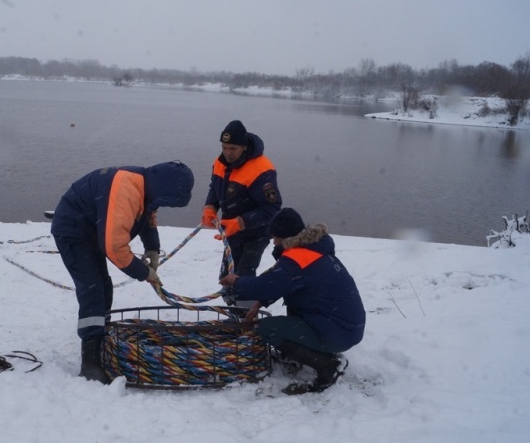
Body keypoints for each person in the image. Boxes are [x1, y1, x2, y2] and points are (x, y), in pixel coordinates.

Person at [51, 161, 194, 384]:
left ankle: (101, 339)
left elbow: (147, 217)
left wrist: (152, 248)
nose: (163, 206)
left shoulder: (146, 187)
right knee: (92, 288)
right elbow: (114, 246)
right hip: (74, 230)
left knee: (103, 285)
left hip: (93, 229)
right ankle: (90, 363)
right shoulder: (125, 190)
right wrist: (142, 272)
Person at [219, 208, 365, 395]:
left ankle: (329, 365)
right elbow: (283, 282)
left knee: (268, 328)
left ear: (283, 236)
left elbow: (267, 284)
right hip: (344, 327)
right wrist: (260, 302)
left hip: (338, 332)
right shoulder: (312, 250)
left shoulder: (298, 258)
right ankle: (300, 354)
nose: (273, 241)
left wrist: (236, 281)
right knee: (292, 309)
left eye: (274, 237)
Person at [201, 120, 282, 311]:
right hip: (232, 230)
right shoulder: (220, 163)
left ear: (244, 147)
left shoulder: (261, 170)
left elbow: (273, 208)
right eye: (224, 147)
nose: (228, 153)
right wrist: (210, 206)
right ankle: (232, 307)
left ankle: (245, 316)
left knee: (243, 275)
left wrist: (241, 222)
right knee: (226, 275)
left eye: (233, 149)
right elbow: (215, 187)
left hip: (257, 231)